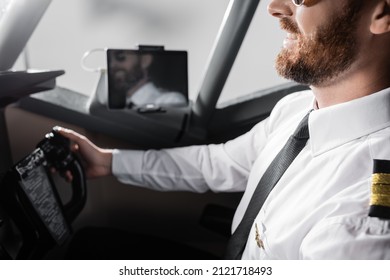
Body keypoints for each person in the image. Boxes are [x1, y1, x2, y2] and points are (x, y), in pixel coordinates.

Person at [58, 0, 390, 259]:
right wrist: (109, 162)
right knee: (89, 244)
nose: (274, 8)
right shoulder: (296, 109)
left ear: (381, 13)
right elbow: (219, 162)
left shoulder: (360, 220)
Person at [107, 50, 187, 108]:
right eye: (109, 60)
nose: (111, 65)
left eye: (120, 57)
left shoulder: (170, 101)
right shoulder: (114, 105)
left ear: (145, 60)